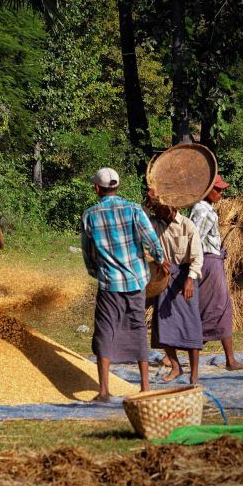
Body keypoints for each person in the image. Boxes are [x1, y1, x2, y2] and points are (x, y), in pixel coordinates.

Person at [81, 168, 167, 399]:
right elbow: (151, 239)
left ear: (98, 188)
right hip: (135, 282)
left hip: (109, 284)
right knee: (138, 327)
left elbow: (88, 252)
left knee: (105, 331)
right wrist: (159, 259)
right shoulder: (134, 209)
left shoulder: (90, 215)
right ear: (117, 187)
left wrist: (95, 272)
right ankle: (146, 387)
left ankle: (103, 390)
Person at [189, 175, 243, 370]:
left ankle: (229, 358)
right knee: (220, 307)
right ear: (207, 190)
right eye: (218, 189)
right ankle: (230, 360)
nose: (221, 193)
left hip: (209, 262)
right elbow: (195, 240)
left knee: (209, 308)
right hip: (209, 265)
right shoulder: (205, 212)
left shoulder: (202, 209)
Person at [148, 193, 204, 384]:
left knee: (192, 326)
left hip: (185, 276)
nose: (158, 211)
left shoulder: (187, 225)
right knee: (163, 325)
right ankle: (175, 366)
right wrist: (159, 260)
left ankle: (194, 375)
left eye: (161, 207)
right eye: (156, 208)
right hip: (164, 277)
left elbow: (197, 256)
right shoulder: (154, 223)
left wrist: (189, 280)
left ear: (172, 207)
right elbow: (139, 225)